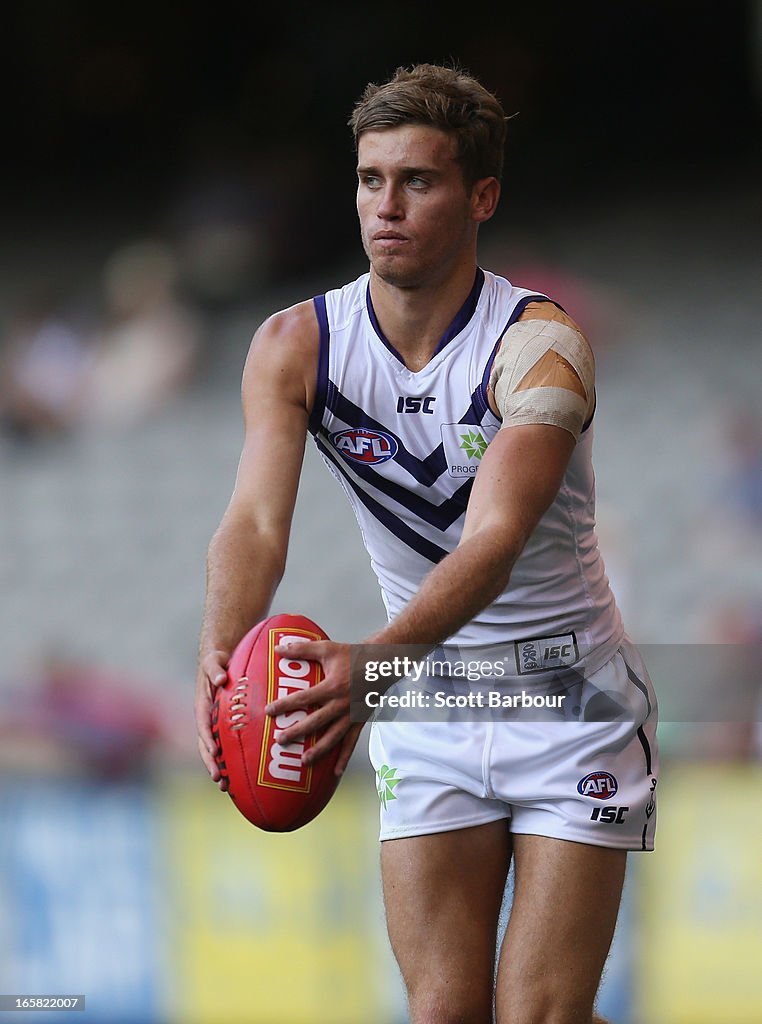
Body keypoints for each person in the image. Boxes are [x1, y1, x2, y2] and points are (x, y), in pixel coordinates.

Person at [195, 63, 658, 1024]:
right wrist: (223, 655)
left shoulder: (539, 346)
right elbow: (253, 522)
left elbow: (493, 539)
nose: (387, 206)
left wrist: (373, 670)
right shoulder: (295, 344)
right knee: (443, 1011)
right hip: (431, 694)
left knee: (541, 1016)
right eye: (371, 180)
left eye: (420, 180)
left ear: (482, 195)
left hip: (564, 695)